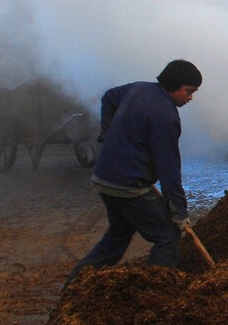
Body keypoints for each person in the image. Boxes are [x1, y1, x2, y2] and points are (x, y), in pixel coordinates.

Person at [64, 59, 202, 286]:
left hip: (103, 178)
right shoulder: (166, 117)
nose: (190, 98)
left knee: (118, 235)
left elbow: (108, 97)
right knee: (167, 236)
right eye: (189, 91)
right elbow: (168, 168)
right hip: (128, 186)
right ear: (174, 85)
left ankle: (73, 285)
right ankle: (156, 293)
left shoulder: (138, 88)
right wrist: (179, 211)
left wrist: (105, 134)